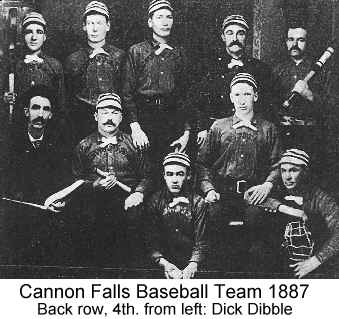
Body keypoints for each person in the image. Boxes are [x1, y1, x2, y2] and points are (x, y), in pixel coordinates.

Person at [196, 72, 280, 272]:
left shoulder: (268, 128)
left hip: (254, 193)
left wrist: (268, 184)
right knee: (213, 225)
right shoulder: (218, 127)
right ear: (231, 97)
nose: (242, 101)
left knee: (257, 231)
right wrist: (208, 189)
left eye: (247, 94)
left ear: (256, 96)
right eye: (238, 95)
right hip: (222, 191)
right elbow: (202, 163)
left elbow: (278, 163)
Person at [69, 92, 152, 267]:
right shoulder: (83, 146)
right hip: (94, 207)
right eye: (105, 113)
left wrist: (138, 193)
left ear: (122, 117)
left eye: (114, 113)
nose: (109, 118)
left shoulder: (133, 144)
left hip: (127, 205)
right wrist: (93, 186)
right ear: (96, 116)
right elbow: (75, 181)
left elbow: (147, 176)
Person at [3, 85, 73, 265]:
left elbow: (64, 182)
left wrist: (62, 201)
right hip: (17, 217)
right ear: (26, 112)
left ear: (51, 115)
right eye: (35, 108)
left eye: (46, 109)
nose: (40, 114)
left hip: (49, 217)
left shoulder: (59, 145)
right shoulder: (9, 144)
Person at [122, 0, 191, 168]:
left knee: (171, 168)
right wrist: (135, 127)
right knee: (146, 169)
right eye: (159, 17)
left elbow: (186, 95)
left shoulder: (179, 53)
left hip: (172, 119)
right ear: (150, 22)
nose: (165, 21)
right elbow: (127, 93)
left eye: (169, 17)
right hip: (144, 118)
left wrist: (186, 131)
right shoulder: (137, 51)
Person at [188, 14, 275, 144]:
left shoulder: (260, 69)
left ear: (247, 37)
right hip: (218, 133)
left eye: (240, 33)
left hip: (250, 132)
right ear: (223, 37)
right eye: (230, 33)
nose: (235, 38)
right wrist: (203, 127)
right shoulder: (209, 67)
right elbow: (197, 101)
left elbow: (267, 105)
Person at [252, 149, 339, 278]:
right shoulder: (278, 190)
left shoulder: (320, 198)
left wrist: (316, 260)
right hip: (278, 261)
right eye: (283, 170)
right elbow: (248, 195)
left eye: (293, 170)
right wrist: (292, 211)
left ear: (305, 172)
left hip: (308, 263)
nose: (287, 176)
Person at [65, 1, 125, 141]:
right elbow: (68, 96)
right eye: (90, 23)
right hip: (82, 120)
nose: (95, 28)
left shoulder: (119, 56)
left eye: (99, 23)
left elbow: (126, 91)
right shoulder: (73, 59)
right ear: (84, 27)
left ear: (107, 26)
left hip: (112, 119)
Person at [272, 22, 327, 173]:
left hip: (310, 135)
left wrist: (308, 94)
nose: (294, 44)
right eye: (291, 39)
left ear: (307, 42)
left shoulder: (321, 71)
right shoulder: (277, 70)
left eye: (300, 40)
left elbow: (331, 107)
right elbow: (270, 105)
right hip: (283, 134)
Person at [144, 152, 209, 279]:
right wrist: (163, 263)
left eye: (180, 174)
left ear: (188, 176)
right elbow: (150, 240)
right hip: (162, 264)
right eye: (169, 174)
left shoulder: (198, 202)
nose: (174, 180)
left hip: (192, 264)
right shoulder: (155, 201)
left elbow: (201, 240)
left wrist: (193, 264)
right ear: (164, 176)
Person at [4, 12, 65, 121]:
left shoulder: (55, 66)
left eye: (39, 32)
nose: (34, 37)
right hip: (19, 126)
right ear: (23, 36)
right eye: (29, 32)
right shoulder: (14, 66)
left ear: (44, 37)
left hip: (46, 126)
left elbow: (61, 105)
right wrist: (5, 98)